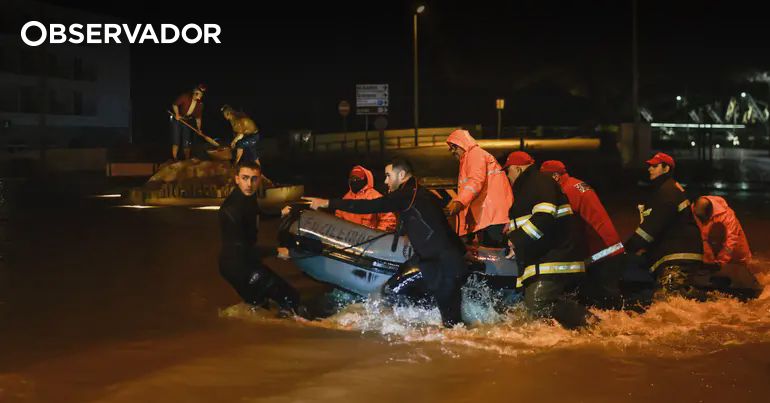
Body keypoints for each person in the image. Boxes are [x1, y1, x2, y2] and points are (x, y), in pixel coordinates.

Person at [302, 158, 468, 328]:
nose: (385, 180)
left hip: (442, 265)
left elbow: (371, 205)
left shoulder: (407, 195)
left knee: (453, 326)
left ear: (401, 175)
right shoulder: (421, 194)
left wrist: (327, 203)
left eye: (388, 175)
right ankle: (412, 329)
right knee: (392, 292)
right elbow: (439, 226)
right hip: (431, 260)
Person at [502, 151, 588, 328]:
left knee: (536, 306)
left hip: (553, 258)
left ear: (517, 168)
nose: (507, 176)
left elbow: (544, 217)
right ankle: (593, 327)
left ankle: (593, 325)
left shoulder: (538, 183)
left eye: (508, 171)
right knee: (543, 308)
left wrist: (516, 240)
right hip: (548, 258)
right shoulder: (533, 185)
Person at [218, 162, 301, 316]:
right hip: (238, 265)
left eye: (254, 179)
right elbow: (240, 249)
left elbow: (257, 213)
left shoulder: (247, 197)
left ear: (259, 180)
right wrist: (277, 251)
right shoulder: (231, 210)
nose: (249, 184)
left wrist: (280, 213)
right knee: (291, 298)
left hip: (241, 262)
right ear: (237, 179)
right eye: (245, 178)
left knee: (261, 306)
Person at [540, 160, 624, 309]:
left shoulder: (566, 192)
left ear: (555, 176)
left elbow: (565, 226)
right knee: (606, 302)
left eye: (544, 179)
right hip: (609, 247)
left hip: (600, 252)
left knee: (603, 302)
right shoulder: (576, 185)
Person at [624, 152, 705, 300]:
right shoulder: (669, 190)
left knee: (666, 303)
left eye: (655, 166)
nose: (650, 169)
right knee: (677, 302)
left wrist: (627, 248)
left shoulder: (667, 193)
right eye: (649, 166)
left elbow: (649, 230)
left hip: (677, 258)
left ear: (666, 169)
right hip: (679, 257)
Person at [445, 130, 513, 247]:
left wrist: (459, 202)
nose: (452, 152)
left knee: (495, 256)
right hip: (490, 217)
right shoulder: (470, 158)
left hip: (492, 217)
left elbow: (475, 182)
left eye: (453, 148)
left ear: (460, 145)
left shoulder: (475, 155)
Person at [693, 196, 752, 267]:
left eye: (703, 218)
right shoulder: (694, 210)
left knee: (740, 266)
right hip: (712, 249)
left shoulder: (727, 216)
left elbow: (732, 240)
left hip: (735, 251)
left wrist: (721, 262)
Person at [335, 165, 397, 232]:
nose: (354, 181)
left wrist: (377, 233)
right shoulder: (346, 198)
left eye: (357, 179)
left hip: (368, 239)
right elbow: (337, 219)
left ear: (364, 180)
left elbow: (389, 219)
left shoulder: (375, 197)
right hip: (349, 237)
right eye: (352, 179)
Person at [170, 84, 206, 160]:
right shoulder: (185, 97)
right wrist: (176, 114)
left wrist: (199, 129)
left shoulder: (200, 104)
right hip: (178, 120)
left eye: (201, 95)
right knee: (176, 140)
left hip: (187, 121)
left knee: (186, 141)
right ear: (195, 93)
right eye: (199, 94)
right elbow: (174, 105)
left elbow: (198, 118)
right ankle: (174, 158)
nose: (200, 97)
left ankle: (187, 159)